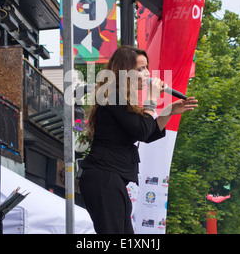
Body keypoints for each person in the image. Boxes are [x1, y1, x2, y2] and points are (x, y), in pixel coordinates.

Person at [78, 46, 198, 234]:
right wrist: (151, 99)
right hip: (103, 175)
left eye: (146, 68)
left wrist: (167, 112)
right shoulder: (113, 95)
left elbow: (147, 133)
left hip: (112, 177)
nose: (147, 73)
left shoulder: (123, 99)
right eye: (140, 69)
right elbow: (142, 131)